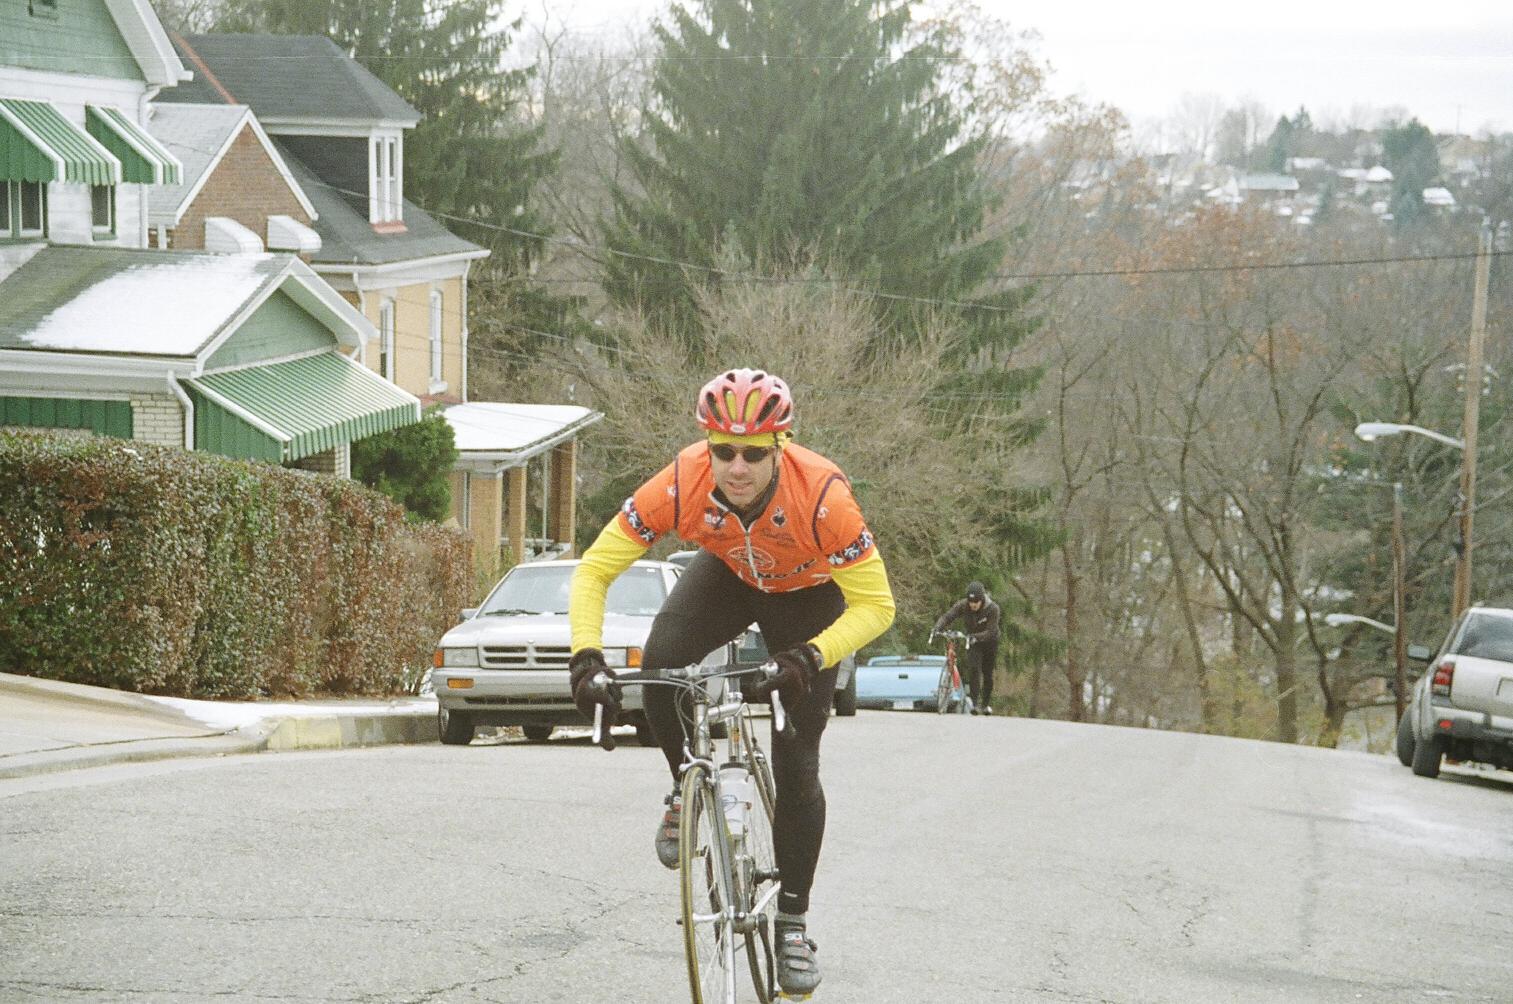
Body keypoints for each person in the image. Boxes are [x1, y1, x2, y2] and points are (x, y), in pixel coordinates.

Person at [567, 367, 896, 996]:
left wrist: (810, 658)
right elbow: (595, 570)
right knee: (662, 666)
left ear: (780, 448)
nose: (737, 467)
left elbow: (878, 607)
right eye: (723, 451)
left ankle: (792, 924)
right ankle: (683, 789)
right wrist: (585, 657)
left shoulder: (823, 496)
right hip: (729, 576)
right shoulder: (681, 482)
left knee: (797, 758)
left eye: (754, 453)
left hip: (810, 598)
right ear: (707, 447)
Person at [932, 581, 1001, 715]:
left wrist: (976, 636)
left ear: (982, 600)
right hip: (972, 641)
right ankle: (974, 704)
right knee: (974, 669)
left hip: (989, 641)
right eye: (971, 602)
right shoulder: (963, 605)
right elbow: (948, 616)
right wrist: (937, 627)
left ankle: (985, 704)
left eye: (976, 602)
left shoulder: (993, 609)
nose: (973, 605)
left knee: (987, 673)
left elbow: (991, 631)